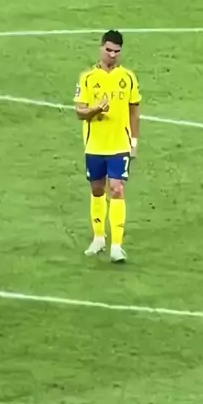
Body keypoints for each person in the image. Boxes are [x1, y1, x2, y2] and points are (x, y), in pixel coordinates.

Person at [74, 30, 141, 262]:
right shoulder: (87, 78)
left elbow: (134, 111)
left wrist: (134, 142)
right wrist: (95, 110)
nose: (112, 55)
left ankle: (117, 246)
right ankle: (99, 238)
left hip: (119, 145)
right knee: (97, 190)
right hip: (94, 145)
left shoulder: (128, 77)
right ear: (101, 48)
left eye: (116, 51)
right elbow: (80, 112)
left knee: (117, 189)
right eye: (109, 50)